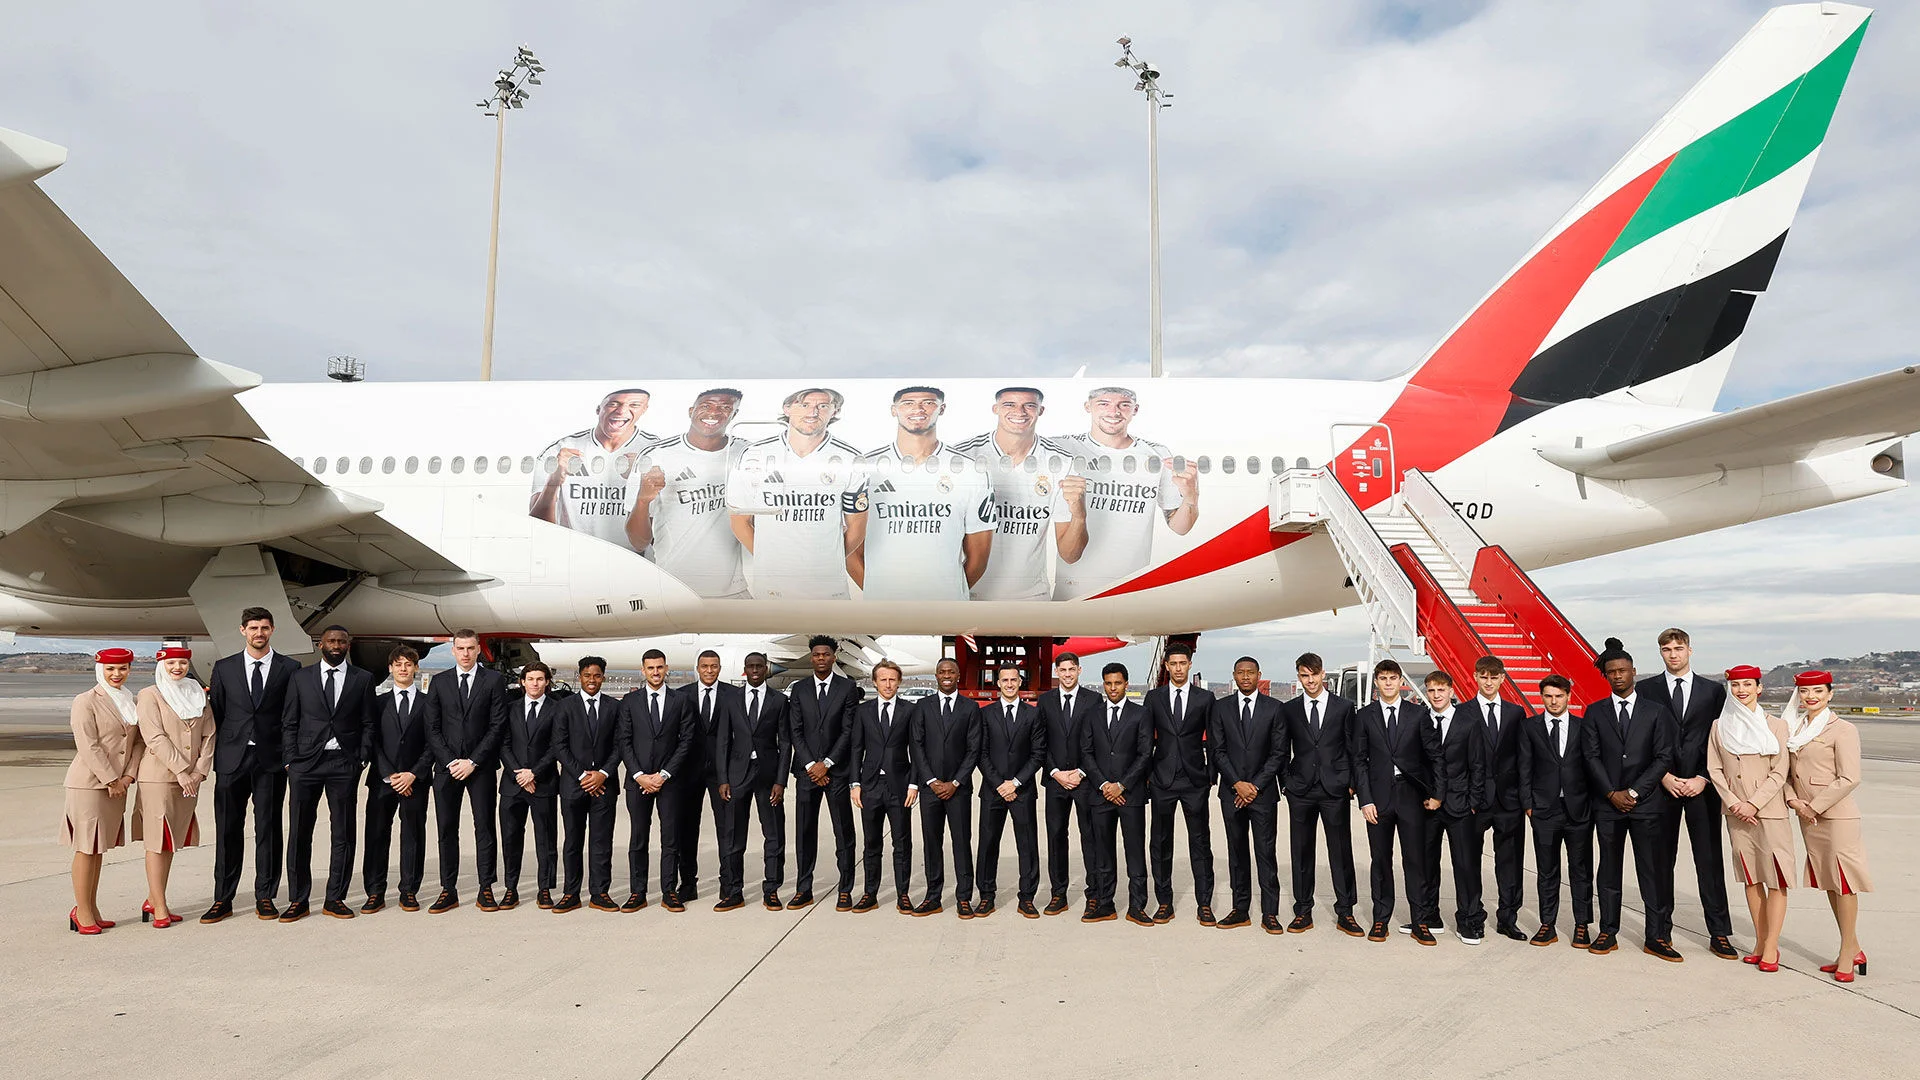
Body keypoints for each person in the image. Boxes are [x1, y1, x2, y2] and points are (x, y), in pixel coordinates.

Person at [1637, 628, 1737, 959]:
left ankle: (1719, 932)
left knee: (1709, 861)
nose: (1673, 654)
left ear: (1690, 651)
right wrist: (1662, 776)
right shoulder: (1645, 690)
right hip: (1661, 787)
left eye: (1679, 648)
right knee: (1659, 862)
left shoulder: (1713, 691)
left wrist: (1705, 778)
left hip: (1701, 787)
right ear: (1660, 653)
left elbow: (1724, 741)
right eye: (1666, 650)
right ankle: (1659, 933)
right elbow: (1640, 741)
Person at [844, 386, 996, 601]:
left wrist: (952, 592)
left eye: (928, 402)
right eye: (908, 403)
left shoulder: (971, 470)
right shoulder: (864, 467)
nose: (918, 409)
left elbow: (979, 555)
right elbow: (851, 548)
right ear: (894, 410)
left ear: (941, 409)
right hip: (882, 608)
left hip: (946, 608)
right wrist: (877, 591)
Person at [1582, 638, 1679, 960]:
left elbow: (1664, 757)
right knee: (1608, 871)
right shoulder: (1595, 712)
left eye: (1623, 670)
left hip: (1646, 805)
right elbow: (1590, 756)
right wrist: (1611, 792)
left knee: (1652, 872)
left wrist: (1635, 792)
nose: (1618, 676)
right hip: (1608, 806)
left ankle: (1658, 936)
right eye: (1612, 672)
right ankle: (1608, 931)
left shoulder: (1656, 712)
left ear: (1633, 671)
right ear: (1606, 676)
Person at [1052, 386, 1199, 600]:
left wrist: (1191, 496)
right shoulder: (1062, 447)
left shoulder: (1157, 454)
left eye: (1124, 405)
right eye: (1104, 404)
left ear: (1135, 410)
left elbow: (1181, 528)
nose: (1114, 412)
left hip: (1131, 587)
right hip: (1072, 589)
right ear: (1088, 407)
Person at [203, 607, 300, 923]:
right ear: (242, 630)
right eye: (253, 627)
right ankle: (223, 898)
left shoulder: (290, 668)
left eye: (265, 627)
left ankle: (265, 895)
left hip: (271, 761)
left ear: (273, 630)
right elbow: (216, 713)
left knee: (268, 829)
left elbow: (291, 717)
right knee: (227, 829)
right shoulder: (224, 668)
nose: (259, 632)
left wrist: (289, 758)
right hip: (232, 759)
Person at [950, 387, 1088, 600]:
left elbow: (1070, 555)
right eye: (1010, 404)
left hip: (1031, 598)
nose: (1020, 411)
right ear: (995, 409)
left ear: (1040, 411)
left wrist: (1079, 515)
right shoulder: (963, 456)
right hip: (969, 595)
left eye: (1029, 405)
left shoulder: (1060, 461)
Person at [727, 387, 864, 600]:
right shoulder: (754, 454)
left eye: (823, 406)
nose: (813, 412)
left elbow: (857, 525)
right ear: (787, 409)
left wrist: (829, 560)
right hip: (772, 587)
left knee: (833, 634)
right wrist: (769, 562)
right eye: (804, 405)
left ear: (834, 411)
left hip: (829, 587)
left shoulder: (850, 458)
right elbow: (739, 521)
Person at [279, 627, 375, 922]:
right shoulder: (300, 677)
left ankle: (336, 897)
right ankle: (299, 898)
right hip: (305, 764)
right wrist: (290, 760)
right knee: (299, 832)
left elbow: (369, 722)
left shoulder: (363, 678)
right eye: (331, 641)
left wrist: (361, 758)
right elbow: (289, 721)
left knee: (343, 833)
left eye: (342, 641)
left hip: (343, 763)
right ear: (321, 644)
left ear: (349, 644)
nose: (336, 646)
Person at [1783, 670, 1871, 983]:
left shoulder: (1842, 729)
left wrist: (1813, 807)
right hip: (1808, 818)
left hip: (1835, 817)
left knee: (1845, 883)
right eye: (1806, 691)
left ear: (1830, 694)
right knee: (1830, 884)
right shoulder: (1794, 728)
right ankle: (1854, 946)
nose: (1812, 697)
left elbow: (1849, 777)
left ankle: (1847, 953)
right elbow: (1786, 774)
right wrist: (1794, 802)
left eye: (1819, 691)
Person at [1706, 665, 1792, 972]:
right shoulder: (1720, 727)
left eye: (1747, 684)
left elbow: (1780, 771)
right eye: (1735, 685)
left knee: (1775, 879)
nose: (1741, 689)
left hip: (1768, 811)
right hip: (1736, 813)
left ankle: (1772, 945)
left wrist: (1753, 803)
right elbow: (1714, 769)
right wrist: (1733, 802)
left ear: (1759, 688)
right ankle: (1759, 940)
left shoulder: (1777, 726)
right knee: (1751, 878)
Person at [626, 389, 750, 598]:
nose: (714, 412)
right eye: (706, 406)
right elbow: (638, 542)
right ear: (691, 411)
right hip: (674, 586)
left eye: (725, 408)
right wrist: (642, 500)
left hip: (738, 589)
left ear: (734, 415)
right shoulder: (656, 455)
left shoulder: (747, 454)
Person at [1351, 659, 1442, 944]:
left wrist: (1436, 793)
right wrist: (1365, 800)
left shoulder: (1418, 714)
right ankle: (1381, 919)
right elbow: (1359, 761)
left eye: (1393, 678)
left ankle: (1420, 921)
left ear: (1400, 681)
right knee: (1380, 860)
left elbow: (1434, 756)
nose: (1388, 683)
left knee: (1415, 860)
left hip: (1411, 796)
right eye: (1383, 678)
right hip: (1377, 798)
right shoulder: (1364, 716)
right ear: (1376, 682)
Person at [423, 629, 511, 913]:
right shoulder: (439, 682)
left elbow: (497, 726)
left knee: (484, 827)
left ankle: (486, 888)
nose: (465, 653)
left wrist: (472, 761)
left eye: (470, 648)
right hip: (447, 769)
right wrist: (451, 761)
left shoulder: (494, 681)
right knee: (447, 830)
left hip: (480, 767)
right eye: (460, 648)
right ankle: (449, 889)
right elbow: (432, 728)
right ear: (452, 650)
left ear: (478, 650)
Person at [1278, 652, 1362, 936]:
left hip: (1333, 789)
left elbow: (1353, 748)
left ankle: (1346, 912)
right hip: (1300, 790)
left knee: (1340, 851)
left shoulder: (1343, 707)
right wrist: (1286, 783)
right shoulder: (1289, 710)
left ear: (1322, 674)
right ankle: (1303, 911)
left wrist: (1350, 783)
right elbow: (1281, 749)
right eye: (1304, 675)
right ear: (1299, 676)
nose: (1310, 680)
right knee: (1301, 852)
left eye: (1314, 674)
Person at [133, 645, 216, 928]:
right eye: (171, 664)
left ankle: (153, 898)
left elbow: (209, 734)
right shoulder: (150, 695)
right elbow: (154, 736)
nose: (177, 668)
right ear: (161, 666)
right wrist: (182, 770)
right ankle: (160, 906)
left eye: (182, 663)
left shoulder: (197, 693)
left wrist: (199, 772)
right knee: (157, 841)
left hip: (190, 780)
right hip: (159, 777)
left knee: (171, 841)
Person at [64, 648, 144, 934]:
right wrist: (111, 779)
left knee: (98, 849)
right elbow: (87, 745)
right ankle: (82, 911)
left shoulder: (131, 701)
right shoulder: (85, 701)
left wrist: (128, 776)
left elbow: (137, 744)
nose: (116, 674)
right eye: (111, 669)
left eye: (122, 668)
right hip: (89, 784)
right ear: (100, 669)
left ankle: (91, 908)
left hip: (118, 784)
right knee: (86, 848)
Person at [1207, 657, 1287, 933]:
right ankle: (1240, 909)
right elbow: (1217, 751)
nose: (1245, 677)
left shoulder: (1275, 709)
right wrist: (1237, 784)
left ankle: (1270, 913)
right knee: (1236, 852)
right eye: (1240, 673)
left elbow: (1278, 753)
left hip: (1263, 794)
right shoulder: (1221, 708)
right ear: (1233, 675)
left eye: (1250, 673)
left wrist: (1254, 786)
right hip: (1231, 793)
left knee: (1266, 853)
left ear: (1258, 675)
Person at [1517, 675, 1594, 948]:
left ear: (1568, 697)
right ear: (1542, 697)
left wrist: (1591, 804)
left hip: (1578, 809)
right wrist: (1528, 804)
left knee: (1581, 870)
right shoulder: (1529, 727)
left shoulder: (1583, 727)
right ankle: (1547, 923)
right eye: (1548, 696)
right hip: (1543, 810)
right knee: (1547, 870)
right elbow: (1524, 767)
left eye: (1559, 696)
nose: (1553, 701)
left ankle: (1582, 924)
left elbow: (1591, 767)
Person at [616, 648, 695, 911]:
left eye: (660, 667)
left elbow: (686, 742)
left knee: (670, 838)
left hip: (669, 782)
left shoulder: (680, 700)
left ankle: (669, 891)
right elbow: (624, 741)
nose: (656, 672)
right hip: (637, 782)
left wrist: (663, 775)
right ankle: (637, 891)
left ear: (666, 668)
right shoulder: (630, 701)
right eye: (650, 668)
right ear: (643, 670)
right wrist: (640, 776)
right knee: (638, 838)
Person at [787, 636, 863, 910]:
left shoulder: (847, 688)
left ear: (834, 657)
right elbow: (795, 731)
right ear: (811, 657)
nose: (821, 658)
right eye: (816, 654)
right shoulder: (799, 690)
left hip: (837, 773)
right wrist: (811, 765)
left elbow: (848, 731)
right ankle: (803, 888)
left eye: (826, 654)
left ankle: (845, 889)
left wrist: (827, 763)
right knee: (805, 833)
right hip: (807, 773)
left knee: (843, 832)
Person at [530, 387, 655, 549]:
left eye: (634, 405)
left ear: (644, 409)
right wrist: (553, 482)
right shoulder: (560, 450)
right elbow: (538, 527)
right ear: (598, 409)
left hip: (636, 563)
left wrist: (641, 482)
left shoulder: (655, 451)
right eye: (613, 404)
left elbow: (663, 530)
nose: (622, 410)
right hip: (573, 558)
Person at [1145, 641, 1215, 925]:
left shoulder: (1205, 698)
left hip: (1194, 780)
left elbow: (1215, 740)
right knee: (1160, 843)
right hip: (1162, 780)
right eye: (1172, 664)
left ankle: (1205, 903)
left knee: (1200, 842)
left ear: (1189, 665)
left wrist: (1210, 777)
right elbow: (1145, 739)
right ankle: (1164, 902)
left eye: (1182, 663)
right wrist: (1148, 775)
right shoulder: (1154, 698)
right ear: (1166, 666)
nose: (1177, 668)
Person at [670, 649, 745, 905]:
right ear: (697, 668)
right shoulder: (682, 695)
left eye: (714, 666)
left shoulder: (734, 695)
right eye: (705, 666)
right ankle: (688, 884)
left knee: (727, 830)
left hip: (722, 773)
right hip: (688, 773)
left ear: (720, 668)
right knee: (687, 830)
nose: (710, 671)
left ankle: (729, 884)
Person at [1081, 662, 1153, 925]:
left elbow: (1145, 754)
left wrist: (1121, 785)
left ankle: (1137, 906)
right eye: (1108, 683)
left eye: (1118, 683)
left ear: (1126, 683)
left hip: (1130, 795)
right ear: (1103, 684)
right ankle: (1104, 904)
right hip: (1100, 795)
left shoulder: (1140, 714)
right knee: (1103, 853)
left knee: (1135, 852)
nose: (1113, 688)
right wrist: (1104, 785)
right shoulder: (1093, 714)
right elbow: (1086, 753)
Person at [361, 646, 432, 913]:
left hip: (416, 780)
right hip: (382, 780)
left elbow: (432, 743)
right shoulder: (378, 703)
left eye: (408, 664)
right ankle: (375, 891)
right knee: (377, 834)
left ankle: (409, 890)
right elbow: (372, 741)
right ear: (390, 668)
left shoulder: (428, 703)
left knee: (413, 835)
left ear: (416, 668)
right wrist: (389, 773)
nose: (403, 668)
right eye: (398, 664)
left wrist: (414, 772)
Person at [1419, 670, 1486, 943]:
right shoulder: (1420, 721)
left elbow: (1478, 766)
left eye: (1441, 690)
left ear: (1451, 691)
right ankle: (1429, 914)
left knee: (1465, 865)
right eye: (1432, 691)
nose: (1436, 695)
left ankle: (1469, 919)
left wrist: (1472, 803)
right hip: (1427, 806)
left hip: (1460, 805)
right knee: (1426, 863)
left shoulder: (1468, 723)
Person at [909, 658, 980, 917]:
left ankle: (964, 897)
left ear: (958, 675)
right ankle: (933, 896)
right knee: (931, 843)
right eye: (942, 672)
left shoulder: (970, 708)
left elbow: (974, 749)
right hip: (931, 789)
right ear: (936, 675)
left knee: (961, 842)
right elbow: (916, 745)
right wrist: (930, 780)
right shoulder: (923, 707)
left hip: (958, 789)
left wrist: (955, 782)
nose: (946, 675)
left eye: (951, 671)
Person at [551, 656, 622, 913]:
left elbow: (620, 745)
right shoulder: (565, 706)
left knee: (601, 841)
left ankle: (600, 892)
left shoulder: (615, 707)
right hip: (573, 786)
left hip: (605, 786)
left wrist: (602, 773)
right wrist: (583, 775)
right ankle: (571, 892)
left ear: (603, 676)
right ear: (579, 676)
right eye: (587, 675)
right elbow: (559, 745)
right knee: (573, 841)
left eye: (597, 675)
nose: (592, 680)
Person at [974, 666, 1045, 918]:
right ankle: (986, 896)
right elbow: (980, 754)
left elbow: (1038, 754)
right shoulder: (986, 714)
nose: (1009, 683)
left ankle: (1027, 897)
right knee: (987, 844)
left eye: (1013, 679)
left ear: (1019, 682)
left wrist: (1015, 783)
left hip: (1022, 790)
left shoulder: (1032, 714)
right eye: (1004, 680)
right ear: (998, 684)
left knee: (1027, 845)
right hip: (993, 790)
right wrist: (999, 784)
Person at [849, 660, 918, 913]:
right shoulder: (863, 711)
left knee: (902, 843)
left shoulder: (910, 710)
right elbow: (857, 748)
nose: (888, 684)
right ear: (874, 682)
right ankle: (870, 893)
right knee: (871, 842)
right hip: (870, 785)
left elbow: (916, 750)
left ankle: (903, 894)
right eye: (883, 680)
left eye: (892, 680)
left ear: (899, 682)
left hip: (900, 785)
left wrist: (914, 784)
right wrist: (854, 783)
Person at [1467, 656, 1529, 941]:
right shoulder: (1464, 712)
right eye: (1483, 676)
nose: (1488, 682)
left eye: (1494, 677)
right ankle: (1472, 916)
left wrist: (1523, 797)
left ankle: (1508, 917)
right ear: (1475, 678)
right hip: (1474, 802)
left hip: (1508, 801)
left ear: (1503, 678)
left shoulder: (1516, 714)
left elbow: (1523, 758)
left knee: (1510, 862)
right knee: (1469, 861)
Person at [1036, 651, 1100, 916]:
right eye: (1062, 670)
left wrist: (1082, 772)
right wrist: (1054, 771)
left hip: (1085, 780)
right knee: (1056, 837)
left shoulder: (1094, 700)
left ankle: (1094, 894)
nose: (1067, 674)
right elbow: (1040, 741)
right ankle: (1058, 894)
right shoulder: (1045, 701)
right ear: (1056, 672)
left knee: (1091, 838)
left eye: (1072, 669)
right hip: (1055, 781)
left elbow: (1099, 740)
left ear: (1079, 670)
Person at [728, 652, 792, 909]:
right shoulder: (731, 699)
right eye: (750, 666)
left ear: (766, 669)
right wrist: (723, 779)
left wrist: (781, 781)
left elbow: (785, 743)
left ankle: (772, 890)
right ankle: (734, 891)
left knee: (774, 835)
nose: (755, 670)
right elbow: (724, 740)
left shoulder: (779, 701)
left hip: (768, 776)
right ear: (745, 669)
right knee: (734, 836)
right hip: (737, 775)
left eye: (759, 666)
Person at [498, 662, 560, 910]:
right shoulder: (510, 709)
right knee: (511, 839)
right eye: (530, 679)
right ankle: (510, 889)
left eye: (540, 679)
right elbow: (503, 744)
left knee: (546, 839)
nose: (535, 683)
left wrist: (534, 773)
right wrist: (520, 775)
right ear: (522, 682)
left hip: (543, 784)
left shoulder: (557, 709)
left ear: (547, 682)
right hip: (513, 786)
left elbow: (557, 746)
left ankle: (544, 889)